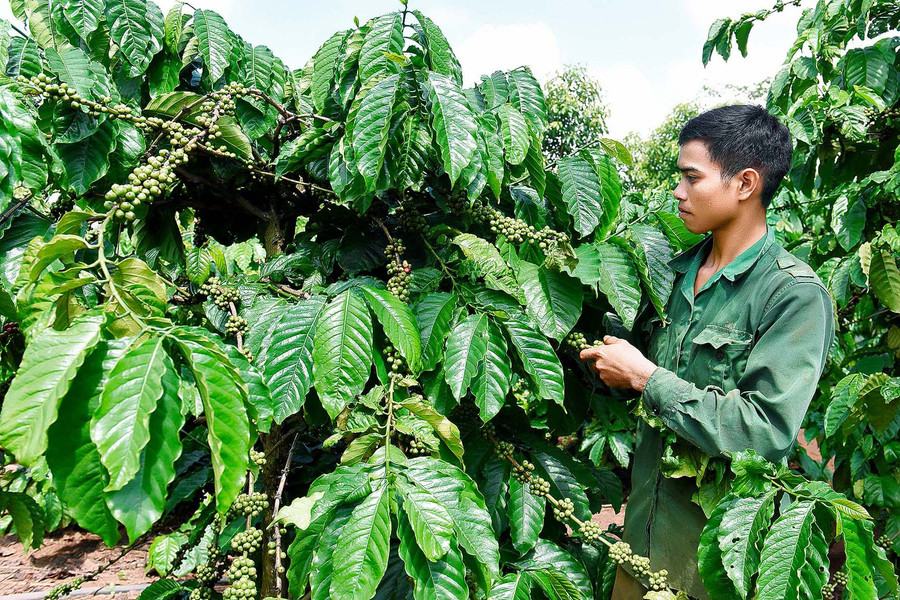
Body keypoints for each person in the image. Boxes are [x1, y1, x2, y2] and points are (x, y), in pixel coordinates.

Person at [579, 104, 835, 600]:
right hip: (639, 550)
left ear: (744, 184)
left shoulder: (793, 295)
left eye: (691, 178)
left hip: (713, 569)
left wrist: (645, 378)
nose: (677, 192)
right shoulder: (670, 273)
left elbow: (763, 431)